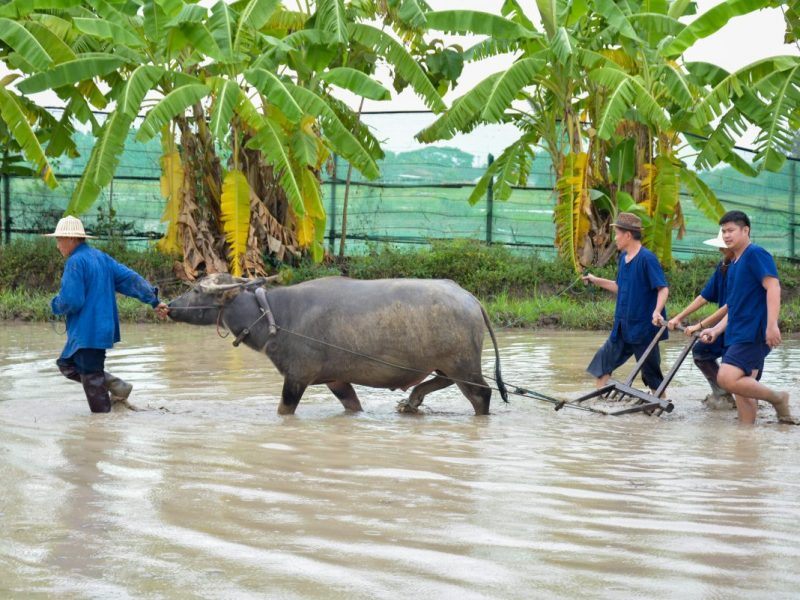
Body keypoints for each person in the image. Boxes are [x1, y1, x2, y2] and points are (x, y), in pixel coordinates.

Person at [46, 216, 169, 413]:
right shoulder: (101, 257)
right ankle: (116, 385)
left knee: (92, 379)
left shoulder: (75, 262)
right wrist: (153, 300)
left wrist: (55, 305)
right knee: (66, 364)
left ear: (71, 239)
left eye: (59, 240)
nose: (58, 245)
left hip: (88, 331)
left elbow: (72, 300)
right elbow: (130, 279)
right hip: (101, 329)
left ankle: (102, 426)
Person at [700, 210, 796, 424]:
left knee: (725, 378)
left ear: (746, 230)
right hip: (737, 331)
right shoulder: (734, 264)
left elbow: (773, 287)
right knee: (743, 391)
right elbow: (734, 306)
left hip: (753, 332)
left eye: (731, 230)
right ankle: (746, 440)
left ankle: (778, 398)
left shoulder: (755, 254)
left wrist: (772, 325)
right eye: (723, 231)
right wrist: (716, 330)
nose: (726, 235)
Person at [583, 212, 669, 394]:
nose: (615, 238)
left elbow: (663, 288)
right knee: (603, 362)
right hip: (622, 326)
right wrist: (595, 280)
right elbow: (620, 287)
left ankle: (660, 404)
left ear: (628, 235)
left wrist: (657, 311)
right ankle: (599, 406)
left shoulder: (647, 259)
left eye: (617, 234)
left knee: (651, 373)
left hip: (644, 328)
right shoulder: (623, 259)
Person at [664, 229, 735, 408]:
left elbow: (730, 306)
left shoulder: (741, 269)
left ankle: (752, 403)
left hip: (741, 326)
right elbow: (704, 296)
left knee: (734, 369)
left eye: (724, 248)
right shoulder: (723, 267)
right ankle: (723, 394)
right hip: (723, 326)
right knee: (701, 351)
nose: (721, 251)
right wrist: (678, 317)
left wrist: (700, 325)